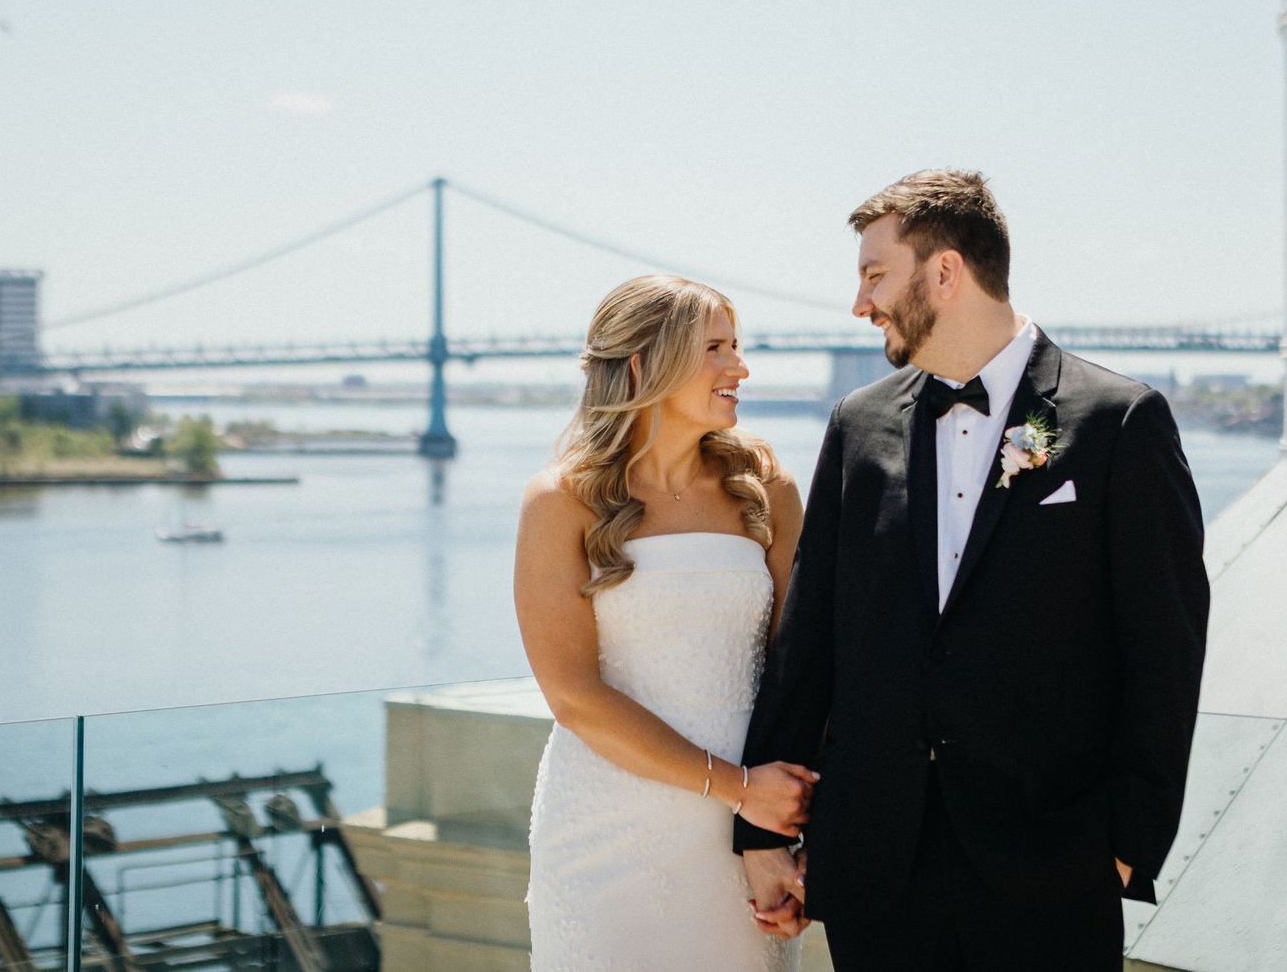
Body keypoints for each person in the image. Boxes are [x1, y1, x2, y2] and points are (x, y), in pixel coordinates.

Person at [736, 169, 1210, 969]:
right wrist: (761, 835)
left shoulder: (1118, 423)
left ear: (945, 271)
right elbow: (810, 637)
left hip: (1049, 878)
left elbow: (1165, 653)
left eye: (874, 274)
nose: (860, 304)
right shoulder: (858, 425)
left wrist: (1126, 848)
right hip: (876, 879)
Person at [517, 274, 815, 972]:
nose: (739, 366)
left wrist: (768, 833)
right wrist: (738, 785)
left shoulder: (769, 490)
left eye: (736, 346)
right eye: (716, 347)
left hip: (745, 839)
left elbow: (798, 672)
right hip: (604, 837)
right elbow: (573, 695)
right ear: (645, 365)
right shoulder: (560, 500)